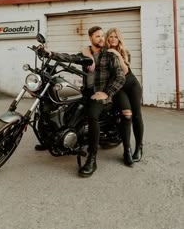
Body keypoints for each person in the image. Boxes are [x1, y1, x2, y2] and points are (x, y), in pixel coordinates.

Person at [38, 26, 125, 177]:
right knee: (65, 106)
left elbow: (120, 77)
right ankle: (53, 139)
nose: (101, 39)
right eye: (97, 36)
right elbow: (69, 57)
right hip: (87, 91)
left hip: (102, 94)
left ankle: (92, 158)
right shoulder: (86, 56)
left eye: (102, 36)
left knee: (92, 115)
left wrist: (106, 92)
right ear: (90, 38)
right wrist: (49, 54)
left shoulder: (110, 56)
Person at [105, 28, 144, 164]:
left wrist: (117, 53)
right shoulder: (104, 53)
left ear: (119, 39)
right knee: (126, 115)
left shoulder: (124, 52)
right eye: (111, 36)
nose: (113, 39)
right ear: (107, 38)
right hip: (118, 88)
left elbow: (126, 70)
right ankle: (126, 150)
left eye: (116, 36)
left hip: (132, 84)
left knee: (137, 115)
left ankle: (139, 147)